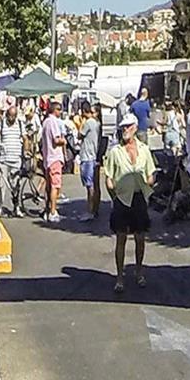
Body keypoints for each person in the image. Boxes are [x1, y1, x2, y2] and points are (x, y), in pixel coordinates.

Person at [101, 112, 155, 293]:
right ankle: (119, 278)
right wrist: (114, 195)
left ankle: (139, 272)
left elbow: (151, 173)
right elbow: (109, 177)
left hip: (139, 198)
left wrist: (147, 185)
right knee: (121, 238)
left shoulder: (144, 149)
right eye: (123, 127)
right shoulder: (115, 152)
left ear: (135, 128)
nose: (125, 129)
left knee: (140, 238)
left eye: (128, 126)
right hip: (122, 200)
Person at [39, 101, 69, 222]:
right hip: (55, 157)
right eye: (59, 109)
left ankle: (48, 210)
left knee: (49, 185)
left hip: (47, 157)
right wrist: (64, 141)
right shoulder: (53, 122)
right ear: (54, 110)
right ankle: (52, 211)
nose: (60, 112)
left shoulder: (45, 122)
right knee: (55, 186)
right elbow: (56, 140)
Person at [0, 101, 25, 217]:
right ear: (7, 114)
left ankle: (16, 207)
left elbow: (25, 137)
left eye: (13, 116)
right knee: (1, 185)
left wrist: (27, 150)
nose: (11, 118)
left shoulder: (20, 124)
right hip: (4, 159)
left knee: (16, 185)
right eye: (10, 115)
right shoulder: (2, 123)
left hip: (16, 158)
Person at [77, 103, 103, 221]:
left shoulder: (88, 123)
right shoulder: (97, 123)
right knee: (94, 185)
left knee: (89, 185)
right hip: (93, 156)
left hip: (87, 156)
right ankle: (94, 209)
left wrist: (82, 121)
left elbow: (79, 135)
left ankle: (90, 210)